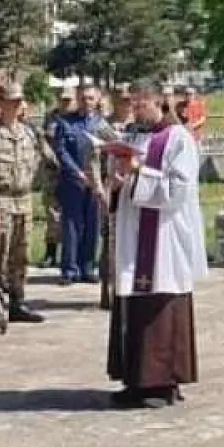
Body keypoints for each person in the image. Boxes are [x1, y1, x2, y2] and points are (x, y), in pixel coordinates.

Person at [105, 84, 205, 411]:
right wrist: (118, 180)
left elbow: (178, 189)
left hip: (164, 237)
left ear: (159, 102)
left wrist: (138, 172)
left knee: (159, 304)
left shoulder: (178, 139)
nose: (135, 110)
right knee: (133, 305)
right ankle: (135, 378)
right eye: (131, 104)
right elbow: (128, 179)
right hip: (135, 235)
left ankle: (162, 382)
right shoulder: (136, 136)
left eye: (141, 103)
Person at [0, 83, 45, 331]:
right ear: (0, 104)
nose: (16, 106)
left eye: (19, 102)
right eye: (11, 102)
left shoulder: (27, 133)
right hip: (1, 199)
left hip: (23, 199)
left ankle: (18, 302)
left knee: (21, 255)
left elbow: (37, 163)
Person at [52, 85, 109, 286]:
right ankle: (69, 269)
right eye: (84, 98)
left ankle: (87, 267)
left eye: (91, 98)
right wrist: (76, 172)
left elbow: (109, 151)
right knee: (71, 225)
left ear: (98, 100)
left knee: (92, 225)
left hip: (95, 182)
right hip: (73, 181)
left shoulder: (102, 124)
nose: (87, 102)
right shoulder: (65, 122)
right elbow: (61, 151)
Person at [98, 86, 134, 311]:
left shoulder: (137, 127)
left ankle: (127, 288)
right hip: (109, 186)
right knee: (109, 241)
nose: (126, 104)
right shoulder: (103, 126)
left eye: (129, 100)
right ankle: (107, 290)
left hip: (131, 188)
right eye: (122, 100)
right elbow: (92, 158)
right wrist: (99, 186)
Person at [39, 91, 74, 268]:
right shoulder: (50, 118)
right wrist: (53, 159)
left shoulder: (76, 119)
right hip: (53, 171)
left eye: (69, 100)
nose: (66, 103)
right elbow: (43, 142)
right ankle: (51, 253)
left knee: (72, 216)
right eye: (63, 99)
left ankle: (70, 255)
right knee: (53, 213)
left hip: (72, 172)